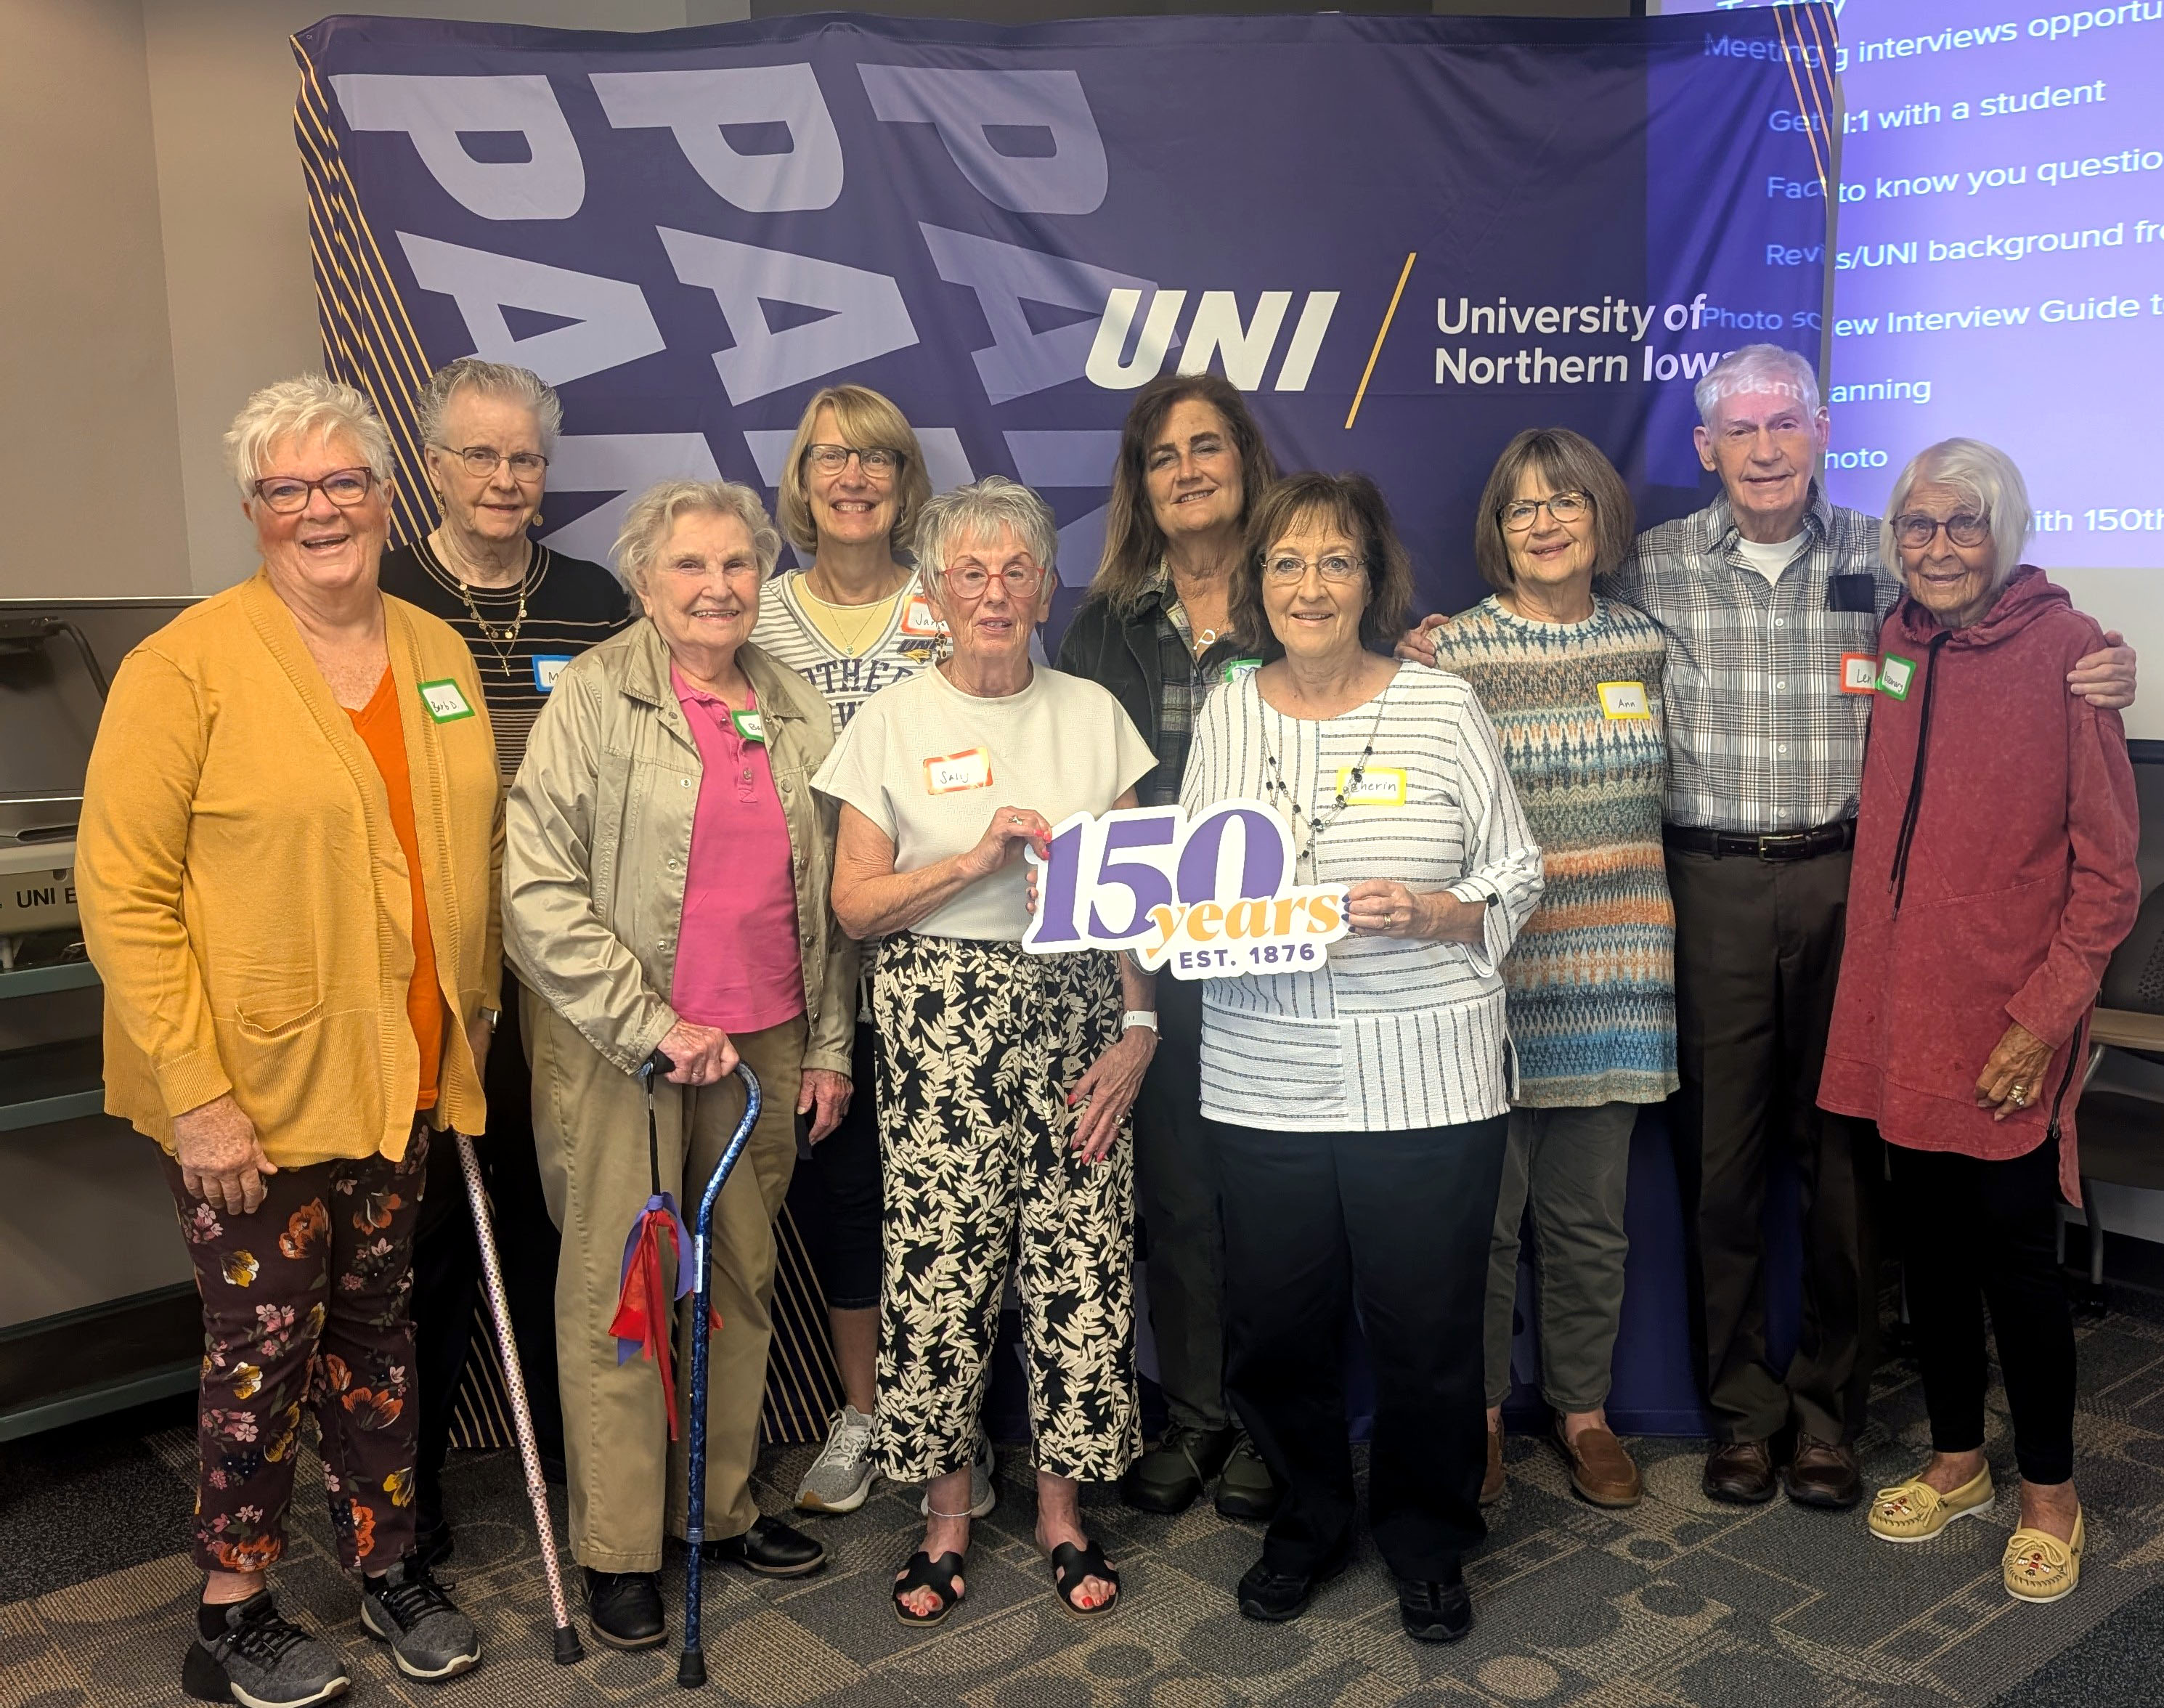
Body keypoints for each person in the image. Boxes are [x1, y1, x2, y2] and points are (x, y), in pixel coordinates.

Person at [1402, 343, 2134, 1508]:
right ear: (1706, 450)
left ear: (1821, 431)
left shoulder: (1885, 557)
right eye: (1739, 430)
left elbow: (1997, 606)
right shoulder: (1650, 565)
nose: (1764, 448)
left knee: (1844, 1169)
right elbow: (1550, 617)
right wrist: (1436, 643)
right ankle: (1741, 1417)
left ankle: (1829, 1417)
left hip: (1857, 891)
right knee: (1722, 1169)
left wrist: (2099, 657)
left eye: (1784, 423)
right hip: (1708, 890)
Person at [77, 374, 492, 1705]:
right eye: (288, 489)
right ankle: (233, 1604)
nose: (321, 511)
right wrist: (197, 1096)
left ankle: (384, 1564)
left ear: (386, 496)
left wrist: (470, 1005)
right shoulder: (182, 666)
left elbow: (454, 849)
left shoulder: (435, 648)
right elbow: (123, 892)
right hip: (248, 1094)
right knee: (262, 1349)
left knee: (380, 1331)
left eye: (345, 483)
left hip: (403, 1072)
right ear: (254, 511)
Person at [1187, 472, 1543, 1643]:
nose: (1310, 586)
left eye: (1335, 562)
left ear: (1372, 579)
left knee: (1426, 1329)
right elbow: (1192, 885)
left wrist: (1440, 913)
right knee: (1276, 1329)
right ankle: (1308, 1519)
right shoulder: (1228, 708)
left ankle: (1428, 1538)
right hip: (1265, 1073)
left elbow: (1517, 872)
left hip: (1429, 1077)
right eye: (1286, 563)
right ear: (1258, 585)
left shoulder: (1442, 706)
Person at [505, 480, 855, 1651]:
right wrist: (649, 1020)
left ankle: (712, 1508)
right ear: (647, 584)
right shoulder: (596, 697)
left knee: (739, 1281)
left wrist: (829, 1045)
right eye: (690, 568)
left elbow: (834, 902)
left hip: (761, 1042)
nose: (717, 589)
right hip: (629, 1049)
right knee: (626, 1297)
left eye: (739, 567)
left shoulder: (795, 703)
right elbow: (534, 894)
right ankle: (618, 1547)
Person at [815, 476, 1158, 1626]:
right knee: (941, 1270)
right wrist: (970, 860)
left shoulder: (1094, 713)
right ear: (936, 590)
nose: (996, 592)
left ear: (1047, 586)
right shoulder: (892, 720)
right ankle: (947, 1516)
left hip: (1077, 1012)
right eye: (972, 572)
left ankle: (1064, 1512)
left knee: (1080, 1264)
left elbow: (1137, 902)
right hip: (937, 1012)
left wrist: (1141, 1027)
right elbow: (855, 906)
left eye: (1017, 570)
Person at [1819, 439, 2139, 1603]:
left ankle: (2051, 1491)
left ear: (2002, 535)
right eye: (1917, 525)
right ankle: (1959, 1459)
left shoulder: (2070, 654)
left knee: (2016, 1262)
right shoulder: (1898, 641)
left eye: (1962, 527)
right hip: (1905, 1015)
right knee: (1934, 1254)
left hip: (2011, 1025)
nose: (1937, 548)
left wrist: (2040, 1021)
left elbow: (2111, 878)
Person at [379, 357, 631, 1564]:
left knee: (563, 1227)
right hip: (433, 972)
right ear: (431, 467)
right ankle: (407, 1496)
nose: (505, 478)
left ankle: (589, 1475)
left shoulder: (593, 598)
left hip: (569, 972)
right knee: (424, 1244)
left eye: (524, 458)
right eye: (479, 455)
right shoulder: (372, 594)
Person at [747, 383, 993, 1521]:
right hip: (802, 946)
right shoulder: (752, 613)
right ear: (800, 482)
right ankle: (863, 1415)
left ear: (907, 483)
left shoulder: (953, 606)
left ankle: (961, 1420)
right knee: (846, 1195)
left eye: (878, 459)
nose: (852, 478)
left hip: (946, 941)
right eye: (829, 459)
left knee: (959, 1196)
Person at [1423, 431, 1675, 1510]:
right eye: (1522, 507)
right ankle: (1477, 1417)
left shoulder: (1650, 646)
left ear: (1601, 519)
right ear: (1498, 530)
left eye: (1566, 502)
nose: (1545, 523)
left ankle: (1583, 1414)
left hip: (1618, 975)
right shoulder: (1448, 656)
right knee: (1481, 1229)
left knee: (1590, 1224)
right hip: (1492, 986)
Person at [1054, 372, 1284, 1522]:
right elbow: (1084, 798)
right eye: (1163, 455)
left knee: (1281, 1199)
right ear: (1141, 484)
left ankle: (1272, 1421)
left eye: (1208, 446)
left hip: (1283, 952)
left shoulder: (1301, 593)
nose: (1188, 469)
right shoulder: (1104, 624)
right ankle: (1199, 1418)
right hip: (1157, 961)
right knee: (1184, 1199)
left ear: (1245, 459)